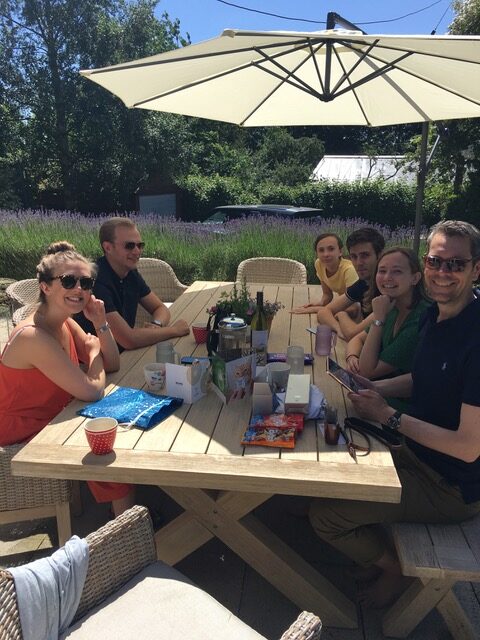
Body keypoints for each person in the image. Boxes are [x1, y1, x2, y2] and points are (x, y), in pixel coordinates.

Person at [309, 220, 480, 608]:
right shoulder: (438, 317)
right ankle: (378, 552)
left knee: (325, 515)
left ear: (476, 269)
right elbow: (422, 380)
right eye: (437, 261)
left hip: (449, 487)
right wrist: (376, 389)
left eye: (456, 264)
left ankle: (394, 568)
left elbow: (469, 448)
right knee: (324, 472)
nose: (443, 272)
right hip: (414, 454)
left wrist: (388, 415)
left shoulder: (475, 337)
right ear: (426, 264)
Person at [0, 242, 135, 516]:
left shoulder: (63, 321)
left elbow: (113, 363)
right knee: (104, 446)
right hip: (22, 429)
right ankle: (126, 523)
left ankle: (126, 508)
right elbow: (92, 390)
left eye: (86, 282)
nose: (79, 289)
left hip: (56, 414)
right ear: (45, 286)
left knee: (125, 423)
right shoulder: (33, 336)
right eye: (69, 281)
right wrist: (94, 351)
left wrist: (100, 323)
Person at [76, 217, 189, 351]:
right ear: (108, 247)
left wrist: (156, 325)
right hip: (95, 362)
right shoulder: (95, 281)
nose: (137, 251)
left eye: (140, 245)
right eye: (129, 246)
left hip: (124, 355)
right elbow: (128, 340)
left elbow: (160, 308)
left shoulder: (130, 273)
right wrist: (175, 330)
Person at [345, 248, 430, 411]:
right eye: (382, 271)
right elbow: (356, 339)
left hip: (412, 409)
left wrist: (378, 319)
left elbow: (366, 371)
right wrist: (352, 356)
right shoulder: (393, 305)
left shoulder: (420, 318)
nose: (386, 278)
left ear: (415, 278)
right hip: (384, 392)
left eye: (397, 271)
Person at [315, 227, 385, 340]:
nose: (358, 263)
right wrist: (338, 328)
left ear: (380, 255)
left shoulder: (388, 290)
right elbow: (323, 312)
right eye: (354, 256)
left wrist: (342, 315)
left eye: (365, 255)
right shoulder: (363, 283)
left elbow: (353, 334)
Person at [291, 233, 358, 314]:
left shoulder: (349, 270)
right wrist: (320, 303)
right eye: (321, 250)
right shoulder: (319, 264)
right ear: (317, 253)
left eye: (331, 249)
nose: (326, 254)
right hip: (343, 308)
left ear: (340, 252)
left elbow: (353, 308)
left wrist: (315, 309)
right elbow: (327, 295)